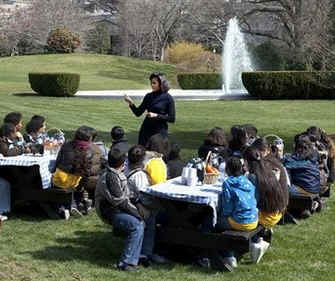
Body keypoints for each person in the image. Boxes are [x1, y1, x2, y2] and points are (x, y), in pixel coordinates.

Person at [95, 148, 157, 271]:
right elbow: (121, 202)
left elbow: (128, 194)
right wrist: (138, 214)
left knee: (149, 218)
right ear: (123, 163)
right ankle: (126, 263)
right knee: (137, 225)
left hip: (118, 209)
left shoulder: (116, 172)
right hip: (110, 212)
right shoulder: (111, 177)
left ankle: (143, 255)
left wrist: (138, 203)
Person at [199, 156, 259, 270]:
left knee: (211, 221)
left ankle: (214, 255)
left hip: (241, 222)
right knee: (218, 221)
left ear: (228, 169)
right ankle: (227, 254)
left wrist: (221, 215)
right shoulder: (248, 181)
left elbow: (227, 207)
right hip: (253, 220)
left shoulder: (228, 183)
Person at [52, 126, 94, 218]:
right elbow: (87, 173)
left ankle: (64, 208)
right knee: (76, 188)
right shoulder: (89, 151)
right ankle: (73, 205)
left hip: (60, 178)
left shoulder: (66, 145)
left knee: (59, 187)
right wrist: (81, 186)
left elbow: (58, 161)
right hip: (75, 180)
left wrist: (53, 172)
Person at [244, 146, 289, 231]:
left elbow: (253, 201)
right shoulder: (267, 171)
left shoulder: (253, 177)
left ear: (246, 161)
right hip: (277, 213)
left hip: (266, 217)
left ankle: (257, 237)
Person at [124, 72, 175, 146]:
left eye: (154, 83)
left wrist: (156, 115)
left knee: (158, 154)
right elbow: (138, 113)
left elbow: (172, 118)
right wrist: (131, 103)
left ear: (161, 83)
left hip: (159, 132)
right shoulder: (148, 96)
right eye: (151, 83)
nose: (152, 85)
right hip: (146, 130)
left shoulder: (168, 98)